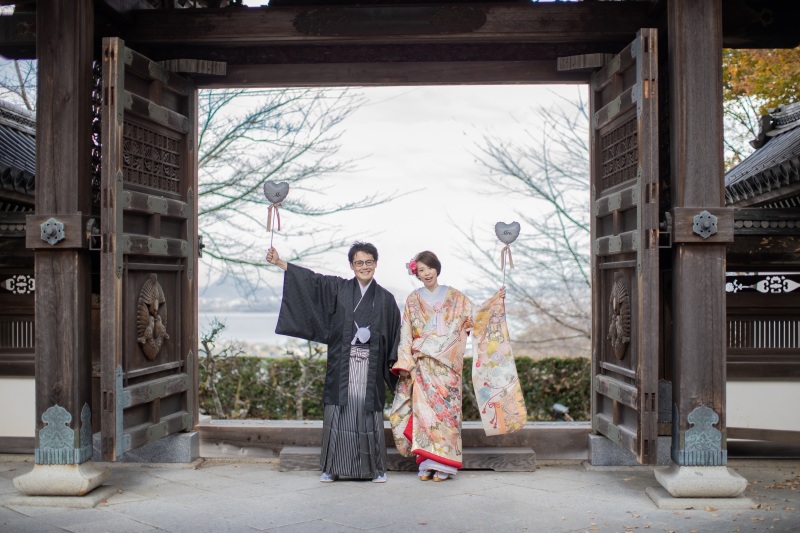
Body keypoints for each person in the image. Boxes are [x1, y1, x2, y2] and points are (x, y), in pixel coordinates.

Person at [267, 242, 401, 483]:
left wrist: (396, 365)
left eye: (369, 262)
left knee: (368, 415)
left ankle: (376, 469)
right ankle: (331, 468)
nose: (364, 267)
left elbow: (394, 337)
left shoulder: (386, 299)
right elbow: (312, 281)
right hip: (343, 365)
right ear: (351, 265)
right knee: (338, 414)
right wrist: (280, 262)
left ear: (376, 264)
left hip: (370, 368)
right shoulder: (338, 289)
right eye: (359, 263)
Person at [389, 250, 506, 482]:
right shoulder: (413, 299)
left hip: (448, 368)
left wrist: (494, 302)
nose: (426, 273)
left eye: (429, 267)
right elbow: (406, 332)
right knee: (425, 416)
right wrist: (404, 361)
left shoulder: (455, 297)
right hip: (423, 365)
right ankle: (426, 464)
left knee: (448, 416)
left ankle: (443, 465)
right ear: (417, 273)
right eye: (421, 270)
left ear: (437, 268)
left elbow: (477, 316)